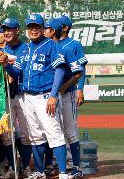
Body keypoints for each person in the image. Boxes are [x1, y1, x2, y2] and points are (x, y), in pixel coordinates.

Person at [0, 14, 69, 179]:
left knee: (54, 133)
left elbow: (60, 70)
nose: (33, 30)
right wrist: (5, 66)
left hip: (45, 95)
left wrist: (53, 95)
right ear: (26, 29)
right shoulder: (26, 49)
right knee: (35, 135)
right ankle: (39, 171)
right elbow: (16, 73)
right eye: (30, 27)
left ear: (43, 28)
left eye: (37, 27)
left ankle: (64, 173)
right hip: (27, 97)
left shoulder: (52, 45)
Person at [44, 18, 85, 179]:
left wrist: (67, 87)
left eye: (46, 28)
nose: (43, 31)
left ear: (54, 31)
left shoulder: (68, 47)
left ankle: (76, 166)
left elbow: (79, 72)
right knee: (52, 131)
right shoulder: (45, 47)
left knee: (70, 131)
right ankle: (53, 162)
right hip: (49, 96)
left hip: (66, 95)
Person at [0, 18, 32, 178]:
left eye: (10, 29)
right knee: (7, 135)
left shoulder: (26, 48)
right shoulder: (1, 49)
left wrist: (6, 65)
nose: (6, 32)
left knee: (27, 134)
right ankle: (13, 167)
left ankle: (26, 167)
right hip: (6, 96)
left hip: (22, 95)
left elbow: (18, 72)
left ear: (17, 30)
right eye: (4, 29)